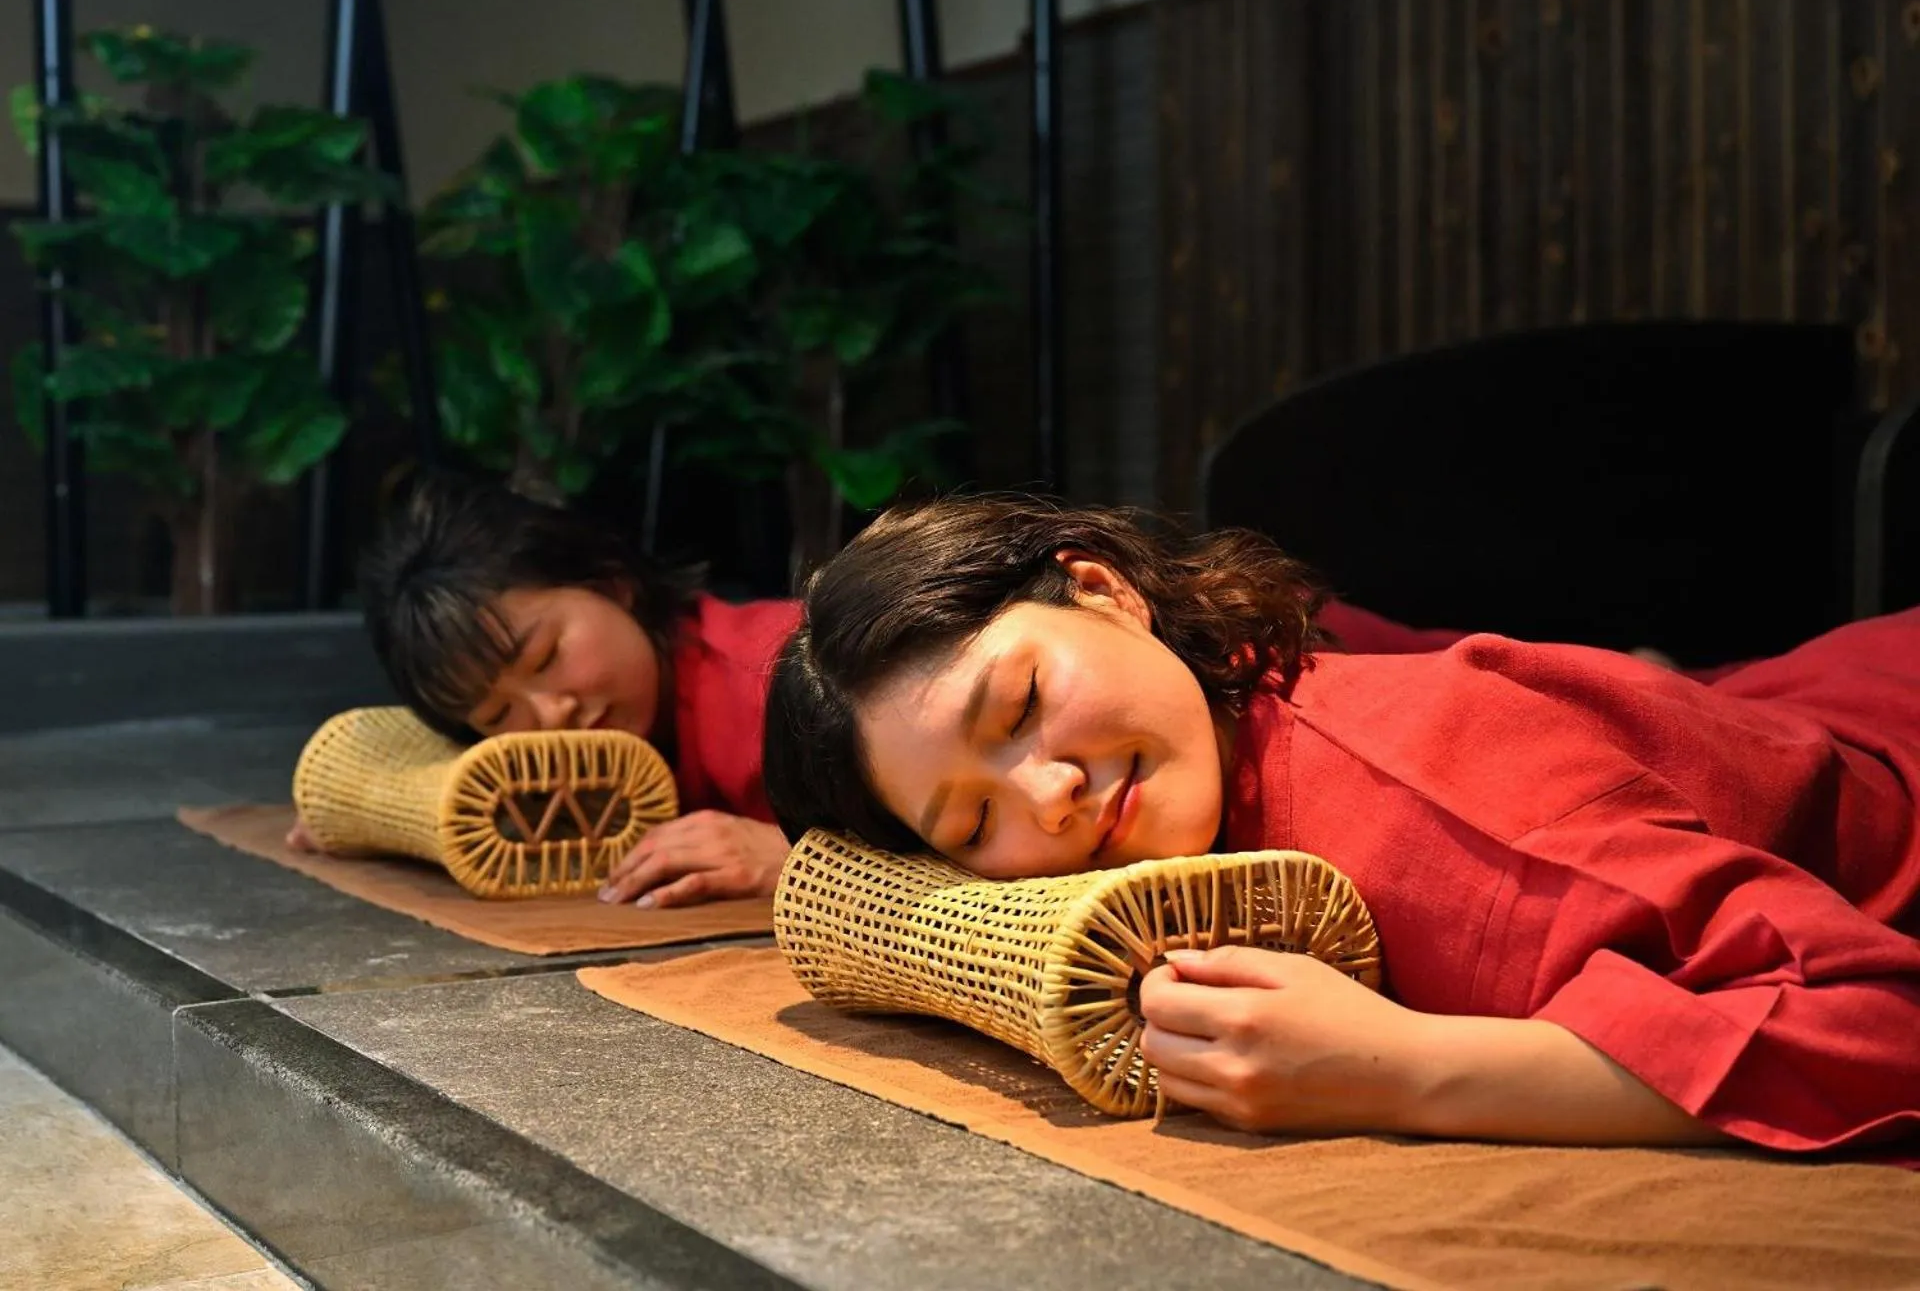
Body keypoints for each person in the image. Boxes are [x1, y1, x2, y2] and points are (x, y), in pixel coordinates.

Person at [762, 494, 1920, 1157]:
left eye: (1018, 705)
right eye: (970, 822)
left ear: (1106, 590)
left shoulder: (1430, 809)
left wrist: (1408, 1070)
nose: (1044, 795)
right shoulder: (1214, 732)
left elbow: (1876, 1022)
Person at [291, 473, 799, 908]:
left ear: (612, 586)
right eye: (495, 713)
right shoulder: (551, 769)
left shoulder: (790, 683)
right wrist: (369, 816)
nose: (551, 715)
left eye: (546, 656)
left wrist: (790, 862)